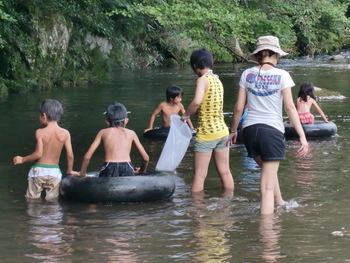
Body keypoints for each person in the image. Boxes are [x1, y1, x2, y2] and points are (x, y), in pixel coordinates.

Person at [226, 36, 309, 215]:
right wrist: (302, 135)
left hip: (249, 132)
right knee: (266, 188)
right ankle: (267, 235)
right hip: (271, 132)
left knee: (268, 172)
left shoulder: (246, 74)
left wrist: (233, 131)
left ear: (258, 55)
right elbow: (289, 108)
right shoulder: (282, 75)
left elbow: (239, 107)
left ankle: (280, 203)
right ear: (276, 54)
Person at [181, 48, 234, 193]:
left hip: (207, 134)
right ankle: (228, 203)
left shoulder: (202, 80)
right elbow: (209, 104)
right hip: (222, 132)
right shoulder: (217, 80)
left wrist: (185, 115)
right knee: (225, 172)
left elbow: (197, 102)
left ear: (195, 66)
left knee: (199, 175)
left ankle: (197, 210)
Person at [13, 99, 79, 200]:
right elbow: (70, 155)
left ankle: (34, 215)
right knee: (53, 202)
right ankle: (53, 215)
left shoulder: (40, 132)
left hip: (39, 171)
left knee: (32, 200)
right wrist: (70, 170)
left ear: (44, 115)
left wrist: (22, 159)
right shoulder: (65, 133)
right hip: (54, 173)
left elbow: (38, 154)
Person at [80, 102, 149, 177]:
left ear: (107, 121)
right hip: (127, 166)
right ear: (126, 120)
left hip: (109, 166)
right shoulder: (131, 133)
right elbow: (146, 158)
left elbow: (87, 156)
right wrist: (142, 170)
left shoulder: (103, 132)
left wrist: (82, 174)